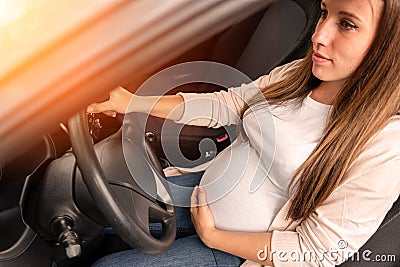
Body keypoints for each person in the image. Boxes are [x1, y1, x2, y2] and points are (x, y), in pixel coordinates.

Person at [88, 0, 400, 266]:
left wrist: (214, 236)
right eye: (323, 12)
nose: (319, 35)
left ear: (389, 41)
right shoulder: (299, 75)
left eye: (346, 24)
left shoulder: (385, 143)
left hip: (231, 251)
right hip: (200, 190)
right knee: (93, 216)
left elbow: (320, 251)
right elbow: (230, 104)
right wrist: (135, 103)